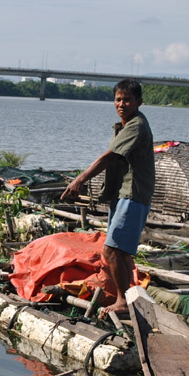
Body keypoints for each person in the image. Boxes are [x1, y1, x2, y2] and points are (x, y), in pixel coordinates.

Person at [61, 79, 154, 318]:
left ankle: (123, 300)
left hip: (132, 195)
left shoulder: (136, 126)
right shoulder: (125, 126)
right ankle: (128, 297)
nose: (121, 104)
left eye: (127, 100)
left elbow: (108, 157)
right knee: (120, 252)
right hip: (122, 194)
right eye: (118, 99)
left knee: (111, 251)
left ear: (139, 102)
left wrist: (79, 179)